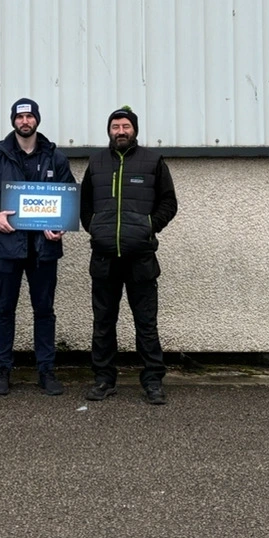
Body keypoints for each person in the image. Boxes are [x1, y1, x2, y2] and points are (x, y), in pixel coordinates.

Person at [0, 98, 75, 396]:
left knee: (44, 310)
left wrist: (60, 224)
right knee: (4, 309)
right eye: (20, 117)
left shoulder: (55, 157)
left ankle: (46, 371)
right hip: (7, 247)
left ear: (37, 120)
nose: (25, 121)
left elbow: (67, 196)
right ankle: (3, 370)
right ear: (13, 121)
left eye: (30, 116)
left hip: (44, 249)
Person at [80, 106, 178, 405]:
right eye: (115, 127)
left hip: (141, 259)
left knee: (146, 323)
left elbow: (169, 203)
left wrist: (148, 227)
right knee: (103, 323)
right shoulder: (96, 162)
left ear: (134, 129)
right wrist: (97, 229)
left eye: (125, 126)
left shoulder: (152, 161)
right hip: (104, 259)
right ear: (108, 131)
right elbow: (84, 205)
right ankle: (104, 379)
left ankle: (152, 381)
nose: (120, 132)